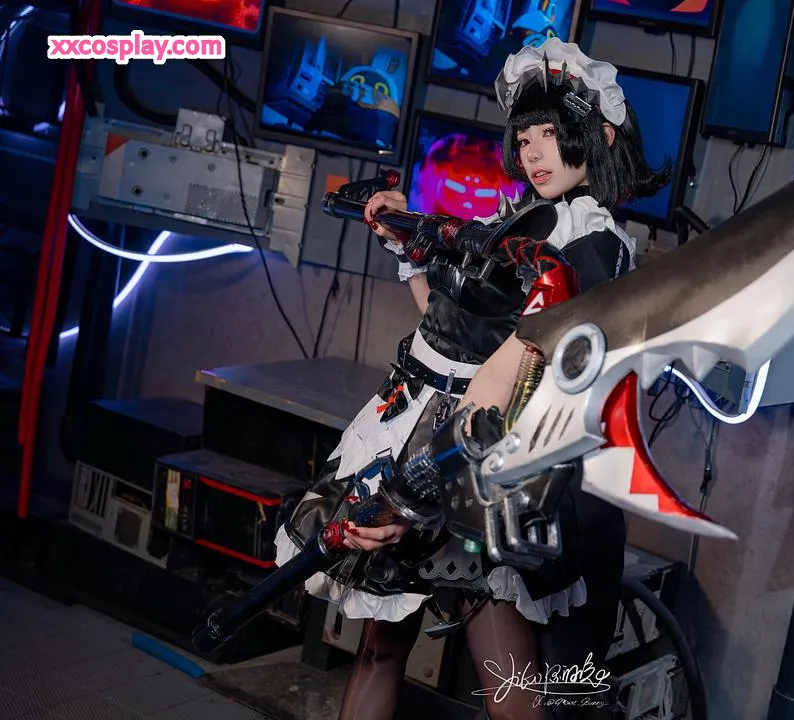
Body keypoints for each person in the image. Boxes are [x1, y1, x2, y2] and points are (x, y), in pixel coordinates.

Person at [275, 38, 671, 720]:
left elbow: (518, 370)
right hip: (414, 421)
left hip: (472, 454)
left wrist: (415, 489)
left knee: (505, 677)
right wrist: (407, 248)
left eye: (551, 134)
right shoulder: (514, 220)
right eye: (525, 137)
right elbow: (447, 327)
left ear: (599, 138)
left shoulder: (592, 243)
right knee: (379, 647)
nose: (534, 152)